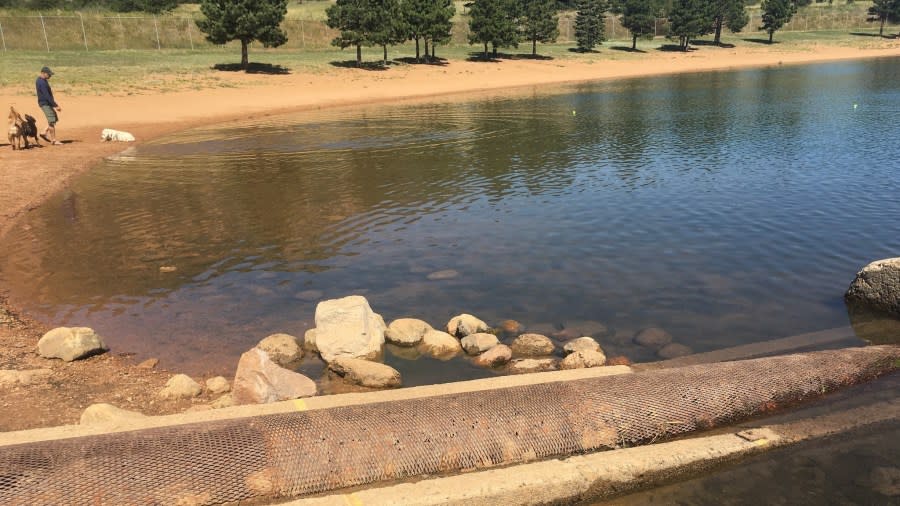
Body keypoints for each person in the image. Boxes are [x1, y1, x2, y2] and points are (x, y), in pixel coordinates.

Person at [36, 66, 62, 145]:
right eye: (49, 74)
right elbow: (47, 96)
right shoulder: (42, 82)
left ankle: (44, 132)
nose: (50, 76)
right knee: (51, 121)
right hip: (45, 103)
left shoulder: (42, 80)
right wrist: (55, 105)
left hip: (46, 103)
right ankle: (54, 140)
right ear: (43, 73)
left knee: (54, 118)